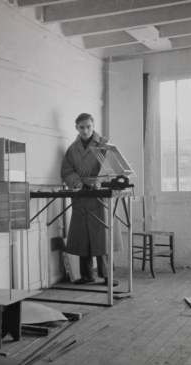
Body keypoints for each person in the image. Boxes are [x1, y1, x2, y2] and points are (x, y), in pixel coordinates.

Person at [61, 113, 122, 286]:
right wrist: (77, 183)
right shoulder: (72, 149)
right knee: (83, 236)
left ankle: (108, 275)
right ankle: (87, 275)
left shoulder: (104, 144)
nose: (85, 130)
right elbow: (67, 170)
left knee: (102, 235)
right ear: (76, 128)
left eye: (88, 126)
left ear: (93, 125)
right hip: (81, 195)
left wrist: (98, 181)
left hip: (100, 196)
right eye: (82, 127)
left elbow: (113, 167)